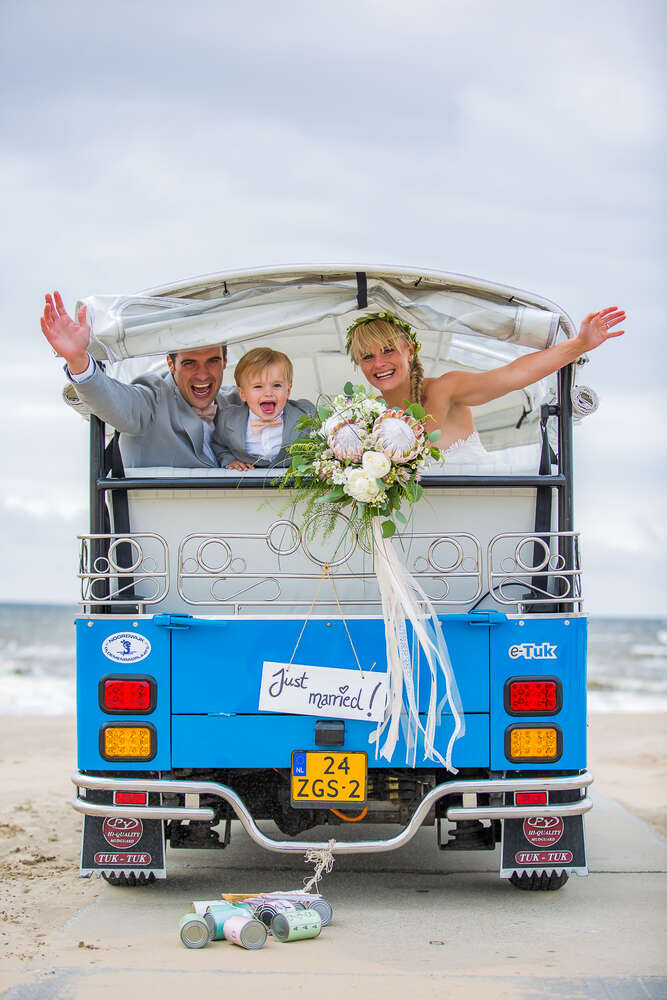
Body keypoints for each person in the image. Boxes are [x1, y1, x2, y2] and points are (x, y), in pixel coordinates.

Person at [345, 308, 626, 456]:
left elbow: (512, 375)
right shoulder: (366, 413)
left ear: (410, 350)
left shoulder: (446, 388)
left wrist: (579, 344)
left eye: (388, 351)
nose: (378, 364)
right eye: (367, 356)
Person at [40, 290, 239, 468]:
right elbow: (112, 401)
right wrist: (78, 360)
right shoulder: (152, 400)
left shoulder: (240, 402)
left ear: (225, 360)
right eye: (190, 363)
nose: (203, 374)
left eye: (212, 361)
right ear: (171, 365)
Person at [212, 347, 315, 470]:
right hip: (249, 482)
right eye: (258, 386)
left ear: (288, 390)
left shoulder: (305, 415)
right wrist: (230, 460)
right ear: (243, 393)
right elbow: (218, 445)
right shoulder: (228, 419)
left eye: (276, 385)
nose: (268, 393)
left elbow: (320, 441)